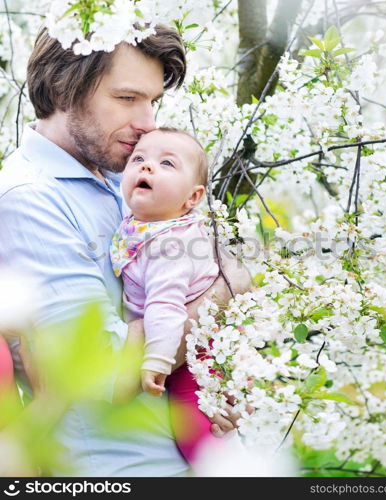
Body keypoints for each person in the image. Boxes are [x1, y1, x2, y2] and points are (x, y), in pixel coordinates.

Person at [0, 25, 250, 476]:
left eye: (153, 101)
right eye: (127, 98)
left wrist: (209, 393)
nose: (148, 123)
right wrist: (223, 290)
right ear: (62, 87)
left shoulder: (125, 179)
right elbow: (102, 371)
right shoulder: (29, 199)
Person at [110, 127, 221, 463]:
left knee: (196, 433)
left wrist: (157, 360)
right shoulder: (146, 226)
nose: (146, 167)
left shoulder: (168, 244)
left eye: (167, 164)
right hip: (182, 335)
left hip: (197, 351)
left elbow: (165, 304)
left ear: (191, 198)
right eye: (138, 159)